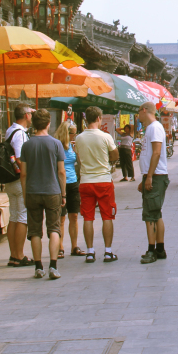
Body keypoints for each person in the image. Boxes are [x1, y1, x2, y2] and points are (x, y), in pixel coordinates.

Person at [19, 109, 66, 279]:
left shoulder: (27, 145)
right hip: (53, 191)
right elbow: (61, 172)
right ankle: (53, 266)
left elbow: (23, 174)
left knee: (35, 231)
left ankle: (38, 267)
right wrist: (64, 194)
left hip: (32, 191)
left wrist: (25, 194)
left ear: (33, 123)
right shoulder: (56, 144)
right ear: (48, 123)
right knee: (54, 229)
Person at [75, 106, 119, 263]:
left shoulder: (79, 138)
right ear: (99, 118)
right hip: (103, 181)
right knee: (107, 216)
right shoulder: (105, 137)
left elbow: (79, 158)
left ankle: (90, 251)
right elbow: (115, 154)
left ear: (86, 119)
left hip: (86, 181)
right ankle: (108, 252)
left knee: (88, 217)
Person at [137, 102, 169, 264]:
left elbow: (156, 152)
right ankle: (160, 249)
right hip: (152, 175)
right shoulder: (150, 128)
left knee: (150, 214)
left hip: (155, 175)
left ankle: (152, 250)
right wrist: (145, 176)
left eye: (138, 112)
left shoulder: (155, 128)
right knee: (155, 213)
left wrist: (149, 176)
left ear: (144, 110)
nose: (138, 116)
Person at [4, 104, 33, 268]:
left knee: (14, 216)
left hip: (10, 180)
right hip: (19, 180)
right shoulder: (20, 134)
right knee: (22, 217)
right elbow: (21, 159)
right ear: (26, 115)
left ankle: (13, 254)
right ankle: (19, 254)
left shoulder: (10, 130)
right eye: (31, 113)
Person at [54, 120, 83, 258]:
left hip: (73, 182)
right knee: (61, 217)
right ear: (66, 133)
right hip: (60, 184)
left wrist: (77, 152)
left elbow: (79, 163)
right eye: (73, 133)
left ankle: (74, 246)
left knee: (74, 215)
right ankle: (60, 247)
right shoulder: (57, 146)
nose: (74, 136)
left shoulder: (72, 146)